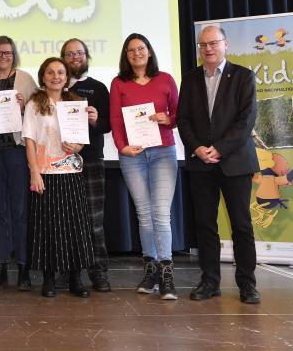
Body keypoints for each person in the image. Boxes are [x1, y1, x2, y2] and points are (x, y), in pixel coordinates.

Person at [177, 25, 260, 304]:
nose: (208, 49)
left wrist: (220, 149)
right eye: (203, 45)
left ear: (225, 44)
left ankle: (247, 284)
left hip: (235, 162)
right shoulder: (189, 79)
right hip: (201, 164)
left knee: (241, 225)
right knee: (205, 225)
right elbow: (183, 120)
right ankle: (210, 281)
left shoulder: (243, 76)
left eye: (213, 43)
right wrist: (198, 148)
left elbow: (246, 120)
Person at [109, 34, 179, 300]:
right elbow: (116, 119)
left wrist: (168, 119)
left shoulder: (166, 80)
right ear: (125, 55)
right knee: (144, 213)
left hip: (162, 152)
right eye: (131, 50)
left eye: (141, 48)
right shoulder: (118, 83)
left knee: (161, 213)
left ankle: (166, 274)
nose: (137, 53)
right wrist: (121, 146)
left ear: (149, 51)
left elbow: (178, 114)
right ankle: (150, 270)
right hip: (132, 155)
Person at [23, 57, 93, 298]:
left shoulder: (76, 102)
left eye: (61, 72)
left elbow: (81, 140)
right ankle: (49, 279)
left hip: (70, 172)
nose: (56, 76)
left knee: (74, 226)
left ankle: (76, 278)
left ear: (67, 77)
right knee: (47, 227)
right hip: (44, 173)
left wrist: (77, 147)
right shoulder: (34, 104)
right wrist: (34, 172)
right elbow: (29, 140)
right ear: (43, 76)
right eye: (51, 72)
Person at [0, 36, 37, 291]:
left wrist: (25, 105)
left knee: (19, 210)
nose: (3, 56)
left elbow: (39, 111)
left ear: (14, 54)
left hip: (17, 151)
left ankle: (24, 268)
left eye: (8, 52)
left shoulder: (25, 79)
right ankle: (1, 267)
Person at [61, 38, 112, 292]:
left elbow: (108, 125)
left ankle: (99, 271)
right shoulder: (54, 86)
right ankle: (69, 272)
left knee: (94, 219)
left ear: (86, 56)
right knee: (66, 220)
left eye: (79, 53)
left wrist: (94, 120)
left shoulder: (99, 88)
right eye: (69, 54)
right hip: (59, 162)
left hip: (91, 159)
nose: (74, 58)